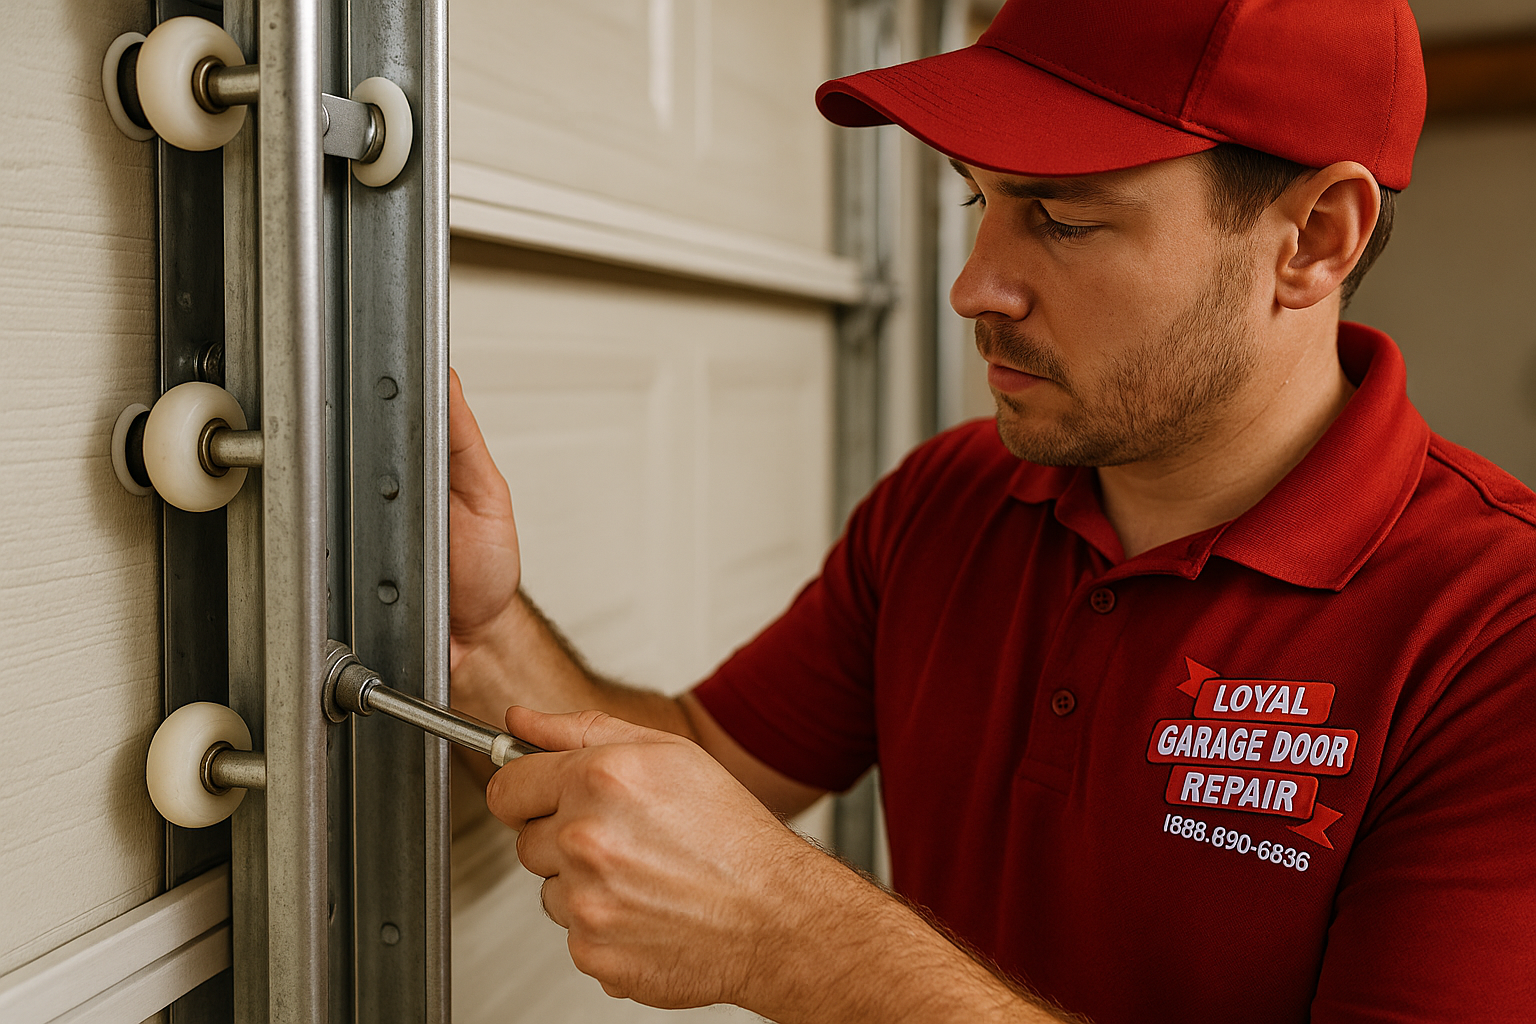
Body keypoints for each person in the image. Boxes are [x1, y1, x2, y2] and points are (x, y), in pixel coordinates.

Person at [448, 1, 1536, 1021]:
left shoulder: (1497, 633)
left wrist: (795, 938)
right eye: (982, 199)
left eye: (1060, 219)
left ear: (1313, 239)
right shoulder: (948, 502)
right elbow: (693, 767)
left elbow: (766, 905)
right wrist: (486, 627)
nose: (975, 286)